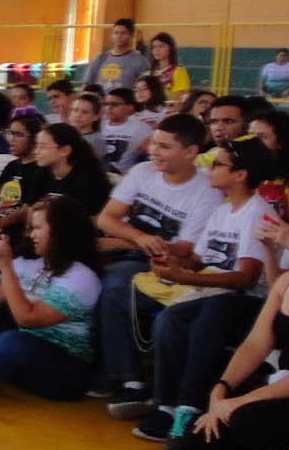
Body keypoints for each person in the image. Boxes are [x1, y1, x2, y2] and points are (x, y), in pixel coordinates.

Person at [112, 137, 274, 438]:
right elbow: (200, 260)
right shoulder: (223, 210)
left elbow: (246, 279)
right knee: (169, 320)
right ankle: (166, 405)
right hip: (214, 295)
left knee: (207, 315)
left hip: (245, 301)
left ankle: (190, 404)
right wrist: (172, 262)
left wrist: (185, 278)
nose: (209, 169)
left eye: (218, 164)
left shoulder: (255, 212)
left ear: (240, 174)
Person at [92, 114, 221, 402]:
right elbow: (107, 218)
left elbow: (185, 248)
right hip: (128, 249)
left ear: (190, 151)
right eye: (154, 143)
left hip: (160, 263)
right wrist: (138, 238)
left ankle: (129, 379)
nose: (154, 151)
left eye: (164, 146)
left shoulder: (206, 192)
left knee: (115, 286)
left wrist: (123, 241)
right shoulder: (143, 172)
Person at [0, 197, 102, 407]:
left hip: (63, 369)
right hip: (21, 348)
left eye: (38, 228)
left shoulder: (81, 275)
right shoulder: (28, 262)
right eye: (30, 228)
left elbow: (27, 319)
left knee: (10, 342)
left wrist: (6, 267)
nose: (31, 235)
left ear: (61, 231)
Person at [167, 270, 289, 450]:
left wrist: (238, 403)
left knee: (245, 418)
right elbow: (255, 343)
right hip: (281, 388)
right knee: (201, 440)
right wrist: (220, 391)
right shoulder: (286, 282)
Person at [84, 17, 148, 89]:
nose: (118, 36)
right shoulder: (100, 58)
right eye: (116, 33)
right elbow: (87, 83)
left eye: (123, 33)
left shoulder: (140, 61)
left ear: (132, 35)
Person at [100, 86, 153, 173]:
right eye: (107, 104)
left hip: (119, 176)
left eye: (114, 104)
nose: (109, 108)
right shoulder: (98, 126)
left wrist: (151, 138)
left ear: (129, 107)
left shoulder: (140, 128)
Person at [146, 32, 190, 100]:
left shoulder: (178, 70)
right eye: (154, 47)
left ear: (170, 48)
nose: (156, 50)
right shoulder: (148, 73)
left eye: (161, 46)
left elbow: (178, 98)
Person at [66, 92, 107, 163]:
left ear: (96, 116)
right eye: (75, 110)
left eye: (85, 112)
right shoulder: (64, 135)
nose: (78, 115)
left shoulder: (96, 140)